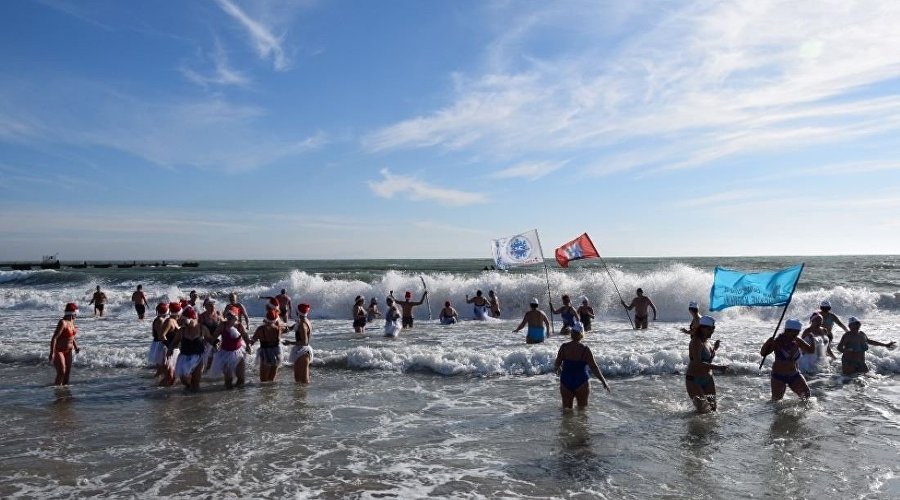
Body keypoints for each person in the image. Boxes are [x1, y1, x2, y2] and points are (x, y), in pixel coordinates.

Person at [554, 323, 610, 409]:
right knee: (582, 412)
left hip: (566, 380)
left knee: (566, 412)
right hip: (582, 381)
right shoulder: (585, 349)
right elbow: (594, 367)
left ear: (571, 333)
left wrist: (559, 370)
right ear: (582, 334)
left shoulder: (564, 347)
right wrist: (603, 381)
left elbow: (557, 364)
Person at [760, 319, 815, 401]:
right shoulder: (777, 342)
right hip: (778, 376)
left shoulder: (797, 340)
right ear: (787, 330)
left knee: (806, 396)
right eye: (795, 332)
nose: (796, 334)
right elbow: (763, 353)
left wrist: (812, 339)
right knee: (776, 401)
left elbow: (810, 350)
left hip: (794, 374)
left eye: (798, 332)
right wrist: (768, 342)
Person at [685, 316, 728, 413]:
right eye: (710, 329)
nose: (712, 331)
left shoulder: (707, 341)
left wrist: (715, 349)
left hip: (708, 379)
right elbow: (698, 363)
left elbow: (708, 358)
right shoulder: (696, 341)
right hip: (694, 380)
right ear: (702, 328)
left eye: (713, 328)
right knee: (703, 412)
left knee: (713, 410)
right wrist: (718, 367)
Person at [169, 306, 211, 392]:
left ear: (193, 318)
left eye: (186, 320)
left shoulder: (202, 328)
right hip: (184, 357)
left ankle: (196, 401)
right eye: (183, 319)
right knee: (184, 379)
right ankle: (189, 390)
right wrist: (170, 350)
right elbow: (174, 342)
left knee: (196, 381)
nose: (184, 322)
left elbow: (210, 339)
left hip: (198, 357)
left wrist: (217, 344)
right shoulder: (182, 331)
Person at [211, 306, 252, 389]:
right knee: (229, 379)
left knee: (241, 379)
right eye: (228, 316)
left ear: (235, 317)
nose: (229, 318)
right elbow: (214, 336)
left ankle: (237, 398)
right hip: (225, 353)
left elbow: (246, 337)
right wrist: (215, 343)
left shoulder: (240, 326)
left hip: (238, 352)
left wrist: (249, 345)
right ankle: (228, 397)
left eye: (231, 316)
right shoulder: (222, 325)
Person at [49, 303, 80, 386]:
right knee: (62, 371)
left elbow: (72, 337)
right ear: (72, 313)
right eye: (76, 313)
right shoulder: (63, 323)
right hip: (59, 351)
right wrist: (52, 352)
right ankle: (57, 390)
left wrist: (76, 347)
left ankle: (65, 392)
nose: (76, 315)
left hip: (69, 351)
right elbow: (54, 338)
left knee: (67, 373)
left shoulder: (72, 322)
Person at [251, 309, 285, 383]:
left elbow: (252, 341)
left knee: (263, 380)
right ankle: (272, 394)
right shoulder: (278, 328)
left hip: (265, 354)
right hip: (277, 354)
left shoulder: (260, 329)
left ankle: (265, 394)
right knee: (271, 380)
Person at [285, 303, 313, 384]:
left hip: (303, 352)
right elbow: (290, 328)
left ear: (298, 312)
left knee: (304, 381)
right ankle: (299, 396)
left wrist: (289, 342)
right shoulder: (303, 321)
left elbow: (305, 342)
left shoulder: (302, 325)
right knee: (298, 380)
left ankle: (304, 396)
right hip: (301, 351)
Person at [157, 302, 183, 386]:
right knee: (170, 376)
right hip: (169, 350)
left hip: (175, 350)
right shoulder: (169, 321)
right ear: (179, 311)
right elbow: (162, 336)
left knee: (173, 376)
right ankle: (156, 392)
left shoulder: (175, 321)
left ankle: (167, 396)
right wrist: (169, 347)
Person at [148, 302, 170, 379]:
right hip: (161, 344)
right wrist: (169, 345)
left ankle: (157, 381)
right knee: (163, 366)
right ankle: (161, 382)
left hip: (157, 343)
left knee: (161, 368)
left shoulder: (158, 319)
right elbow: (161, 335)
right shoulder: (160, 320)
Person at [198, 298, 221, 371]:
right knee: (209, 358)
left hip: (218, 338)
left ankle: (216, 373)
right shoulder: (202, 316)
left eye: (213, 305)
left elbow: (223, 325)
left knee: (218, 357)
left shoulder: (218, 313)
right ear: (205, 306)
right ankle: (206, 374)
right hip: (207, 339)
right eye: (210, 305)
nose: (212, 307)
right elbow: (200, 329)